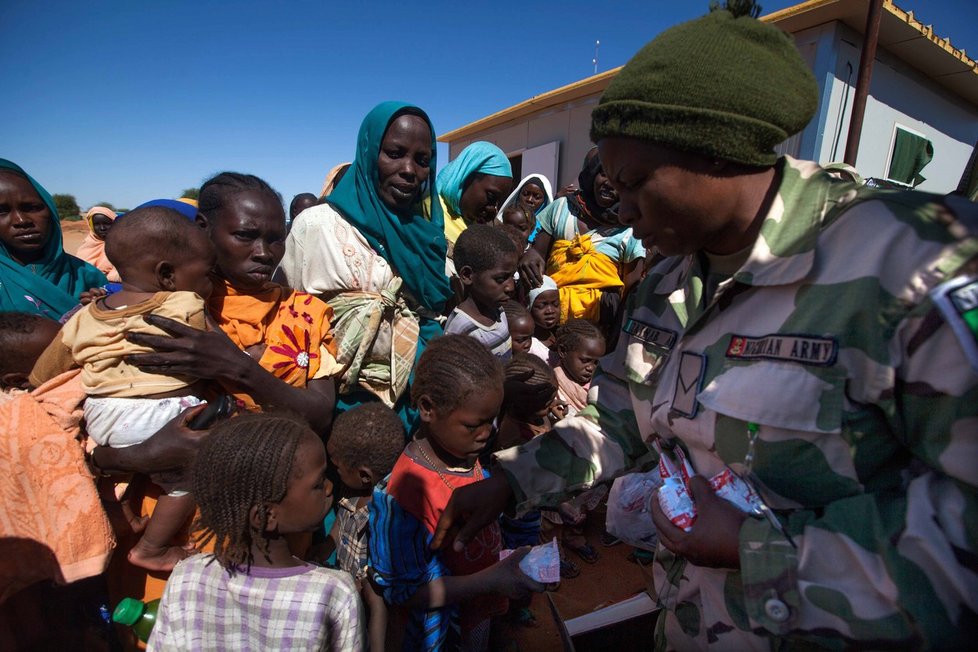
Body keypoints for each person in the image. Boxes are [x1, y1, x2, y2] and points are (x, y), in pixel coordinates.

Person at [433, 3, 978, 650]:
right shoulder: (668, 282)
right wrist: (511, 481)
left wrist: (762, 549)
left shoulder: (910, 265)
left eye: (634, 182)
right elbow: (616, 416)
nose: (621, 211)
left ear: (717, 154)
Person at [30, 206, 216, 571]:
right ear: (167, 275)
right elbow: (219, 353)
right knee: (188, 479)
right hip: (161, 414)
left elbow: (45, 373)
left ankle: (123, 515)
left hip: (102, 416)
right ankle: (153, 548)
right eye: (206, 273)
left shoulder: (83, 316)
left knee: (117, 470)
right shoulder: (185, 303)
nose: (210, 281)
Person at [279, 102, 452, 428]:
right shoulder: (316, 227)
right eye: (394, 153)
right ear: (369, 152)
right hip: (331, 407)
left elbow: (432, 317)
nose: (409, 170)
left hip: (410, 411)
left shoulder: (428, 237)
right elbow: (284, 316)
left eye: (422, 160)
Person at [123, 173, 337, 434]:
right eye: (245, 235)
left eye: (276, 239)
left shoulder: (304, 312)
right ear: (204, 228)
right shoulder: (165, 309)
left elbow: (321, 415)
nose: (264, 253)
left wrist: (236, 366)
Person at [368, 335, 543, 651]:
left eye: (492, 420)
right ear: (427, 408)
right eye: (474, 425)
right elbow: (405, 592)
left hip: (479, 613)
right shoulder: (405, 496)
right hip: (439, 632)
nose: (487, 432)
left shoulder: (464, 451)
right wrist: (492, 580)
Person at [148, 413, 362, 651]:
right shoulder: (333, 593)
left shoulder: (188, 577)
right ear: (267, 516)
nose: (329, 486)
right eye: (319, 482)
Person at [520, 147, 645, 330]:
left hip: (597, 332)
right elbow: (537, 255)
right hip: (549, 323)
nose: (609, 183)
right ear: (591, 175)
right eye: (603, 174)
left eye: (618, 179)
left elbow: (630, 291)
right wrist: (530, 253)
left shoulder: (630, 229)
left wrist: (613, 338)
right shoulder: (562, 208)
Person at [326, 402, 406, 652]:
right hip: (349, 596)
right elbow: (342, 520)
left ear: (364, 475)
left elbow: (381, 598)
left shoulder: (386, 518)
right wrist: (325, 546)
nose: (334, 473)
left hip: (369, 607)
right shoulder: (354, 492)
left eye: (337, 468)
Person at [0, 159, 107, 318]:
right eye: (2, 211)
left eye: (32, 208)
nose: (22, 221)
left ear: (50, 212)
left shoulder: (86, 275)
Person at [443, 224, 518, 361]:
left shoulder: (498, 310)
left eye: (512, 276)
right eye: (500, 279)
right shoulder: (462, 330)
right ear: (467, 275)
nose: (510, 287)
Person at [436, 141, 513, 257]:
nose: (494, 209)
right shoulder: (426, 215)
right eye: (491, 196)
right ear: (466, 178)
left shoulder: (489, 227)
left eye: (498, 201)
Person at [553, 318, 606, 416]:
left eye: (596, 363)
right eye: (585, 361)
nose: (590, 368)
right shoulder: (553, 384)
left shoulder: (601, 384)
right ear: (563, 351)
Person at [496, 174, 553, 244]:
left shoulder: (546, 232)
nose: (529, 199)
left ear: (544, 202)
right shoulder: (501, 222)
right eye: (525, 194)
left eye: (537, 197)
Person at [74, 206, 120, 282]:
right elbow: (80, 272)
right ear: (91, 225)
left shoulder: (123, 244)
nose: (102, 228)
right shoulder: (87, 246)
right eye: (97, 224)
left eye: (106, 223)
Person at [526, 275, 559, 364]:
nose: (550, 311)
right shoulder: (529, 346)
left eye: (555, 304)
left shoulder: (558, 334)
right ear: (528, 307)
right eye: (541, 306)